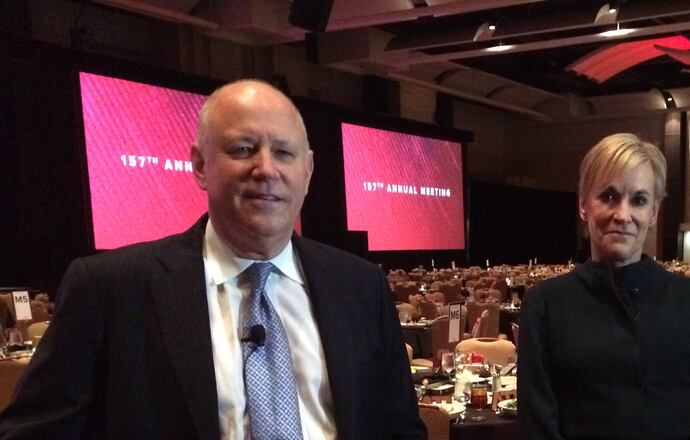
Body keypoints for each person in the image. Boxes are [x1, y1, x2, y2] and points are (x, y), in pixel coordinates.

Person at [0, 80, 425, 439]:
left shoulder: (360, 285)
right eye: (242, 149)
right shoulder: (109, 288)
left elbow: (400, 429)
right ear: (201, 165)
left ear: (308, 171)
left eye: (284, 152)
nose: (265, 169)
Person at [518, 133, 690, 439]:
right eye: (608, 196)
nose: (623, 215)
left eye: (639, 200)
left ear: (654, 212)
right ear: (583, 205)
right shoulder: (544, 305)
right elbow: (537, 428)